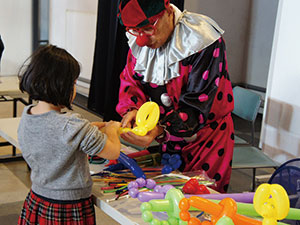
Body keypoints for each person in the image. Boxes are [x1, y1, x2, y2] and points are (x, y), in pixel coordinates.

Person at [116, 0, 234, 193]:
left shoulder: (202, 39)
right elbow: (130, 82)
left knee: (201, 203)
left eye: (147, 28)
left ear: (168, 11)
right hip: (168, 139)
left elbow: (198, 105)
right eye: (133, 31)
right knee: (168, 198)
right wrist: (133, 110)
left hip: (206, 140)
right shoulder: (140, 43)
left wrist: (161, 130)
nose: (141, 40)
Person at [17, 45, 121, 224]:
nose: (74, 87)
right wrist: (112, 129)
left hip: (38, 199)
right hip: (68, 207)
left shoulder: (28, 115)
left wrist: (89, 128)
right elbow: (113, 152)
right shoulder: (72, 127)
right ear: (61, 85)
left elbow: (57, 135)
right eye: (73, 83)